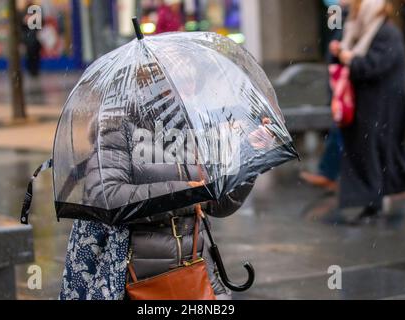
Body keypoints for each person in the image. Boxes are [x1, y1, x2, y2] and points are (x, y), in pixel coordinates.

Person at [59, 62, 261, 300]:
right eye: (182, 85)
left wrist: (249, 156)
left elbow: (218, 203)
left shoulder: (191, 131)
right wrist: (185, 194)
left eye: (193, 85)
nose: (191, 94)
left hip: (196, 275)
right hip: (139, 281)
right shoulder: (118, 128)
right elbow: (105, 197)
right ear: (153, 88)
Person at [330, 0, 405, 223]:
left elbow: (373, 66)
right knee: (379, 157)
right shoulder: (359, 32)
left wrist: (350, 59)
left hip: (380, 110)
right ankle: (371, 204)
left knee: (378, 156)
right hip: (367, 108)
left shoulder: (386, 33)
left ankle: (372, 205)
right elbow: (354, 61)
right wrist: (340, 54)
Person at [300, 0, 350, 192]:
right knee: (340, 132)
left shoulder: (348, 16)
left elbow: (339, 47)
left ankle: (328, 174)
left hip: (345, 88)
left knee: (340, 132)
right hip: (340, 87)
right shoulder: (339, 14)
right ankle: (329, 174)